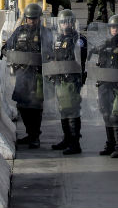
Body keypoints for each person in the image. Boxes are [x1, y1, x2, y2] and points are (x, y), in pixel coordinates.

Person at [2, 4, 50, 148]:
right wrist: (7, 52)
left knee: (35, 106)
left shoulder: (45, 33)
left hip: (37, 75)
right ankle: (30, 133)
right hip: (22, 74)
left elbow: (52, 52)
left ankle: (35, 136)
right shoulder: (19, 31)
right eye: (29, 19)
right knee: (22, 105)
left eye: (34, 19)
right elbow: (8, 46)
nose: (32, 22)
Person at [45, 10, 87, 155]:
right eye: (63, 22)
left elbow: (80, 57)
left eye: (68, 21)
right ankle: (67, 139)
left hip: (72, 79)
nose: (65, 24)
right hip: (60, 78)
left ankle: (75, 143)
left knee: (72, 110)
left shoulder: (78, 39)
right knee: (63, 110)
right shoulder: (58, 39)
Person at [90, 15, 118, 158]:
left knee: (116, 116)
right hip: (105, 84)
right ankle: (110, 144)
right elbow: (95, 59)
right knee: (106, 114)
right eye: (113, 28)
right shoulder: (105, 45)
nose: (115, 30)